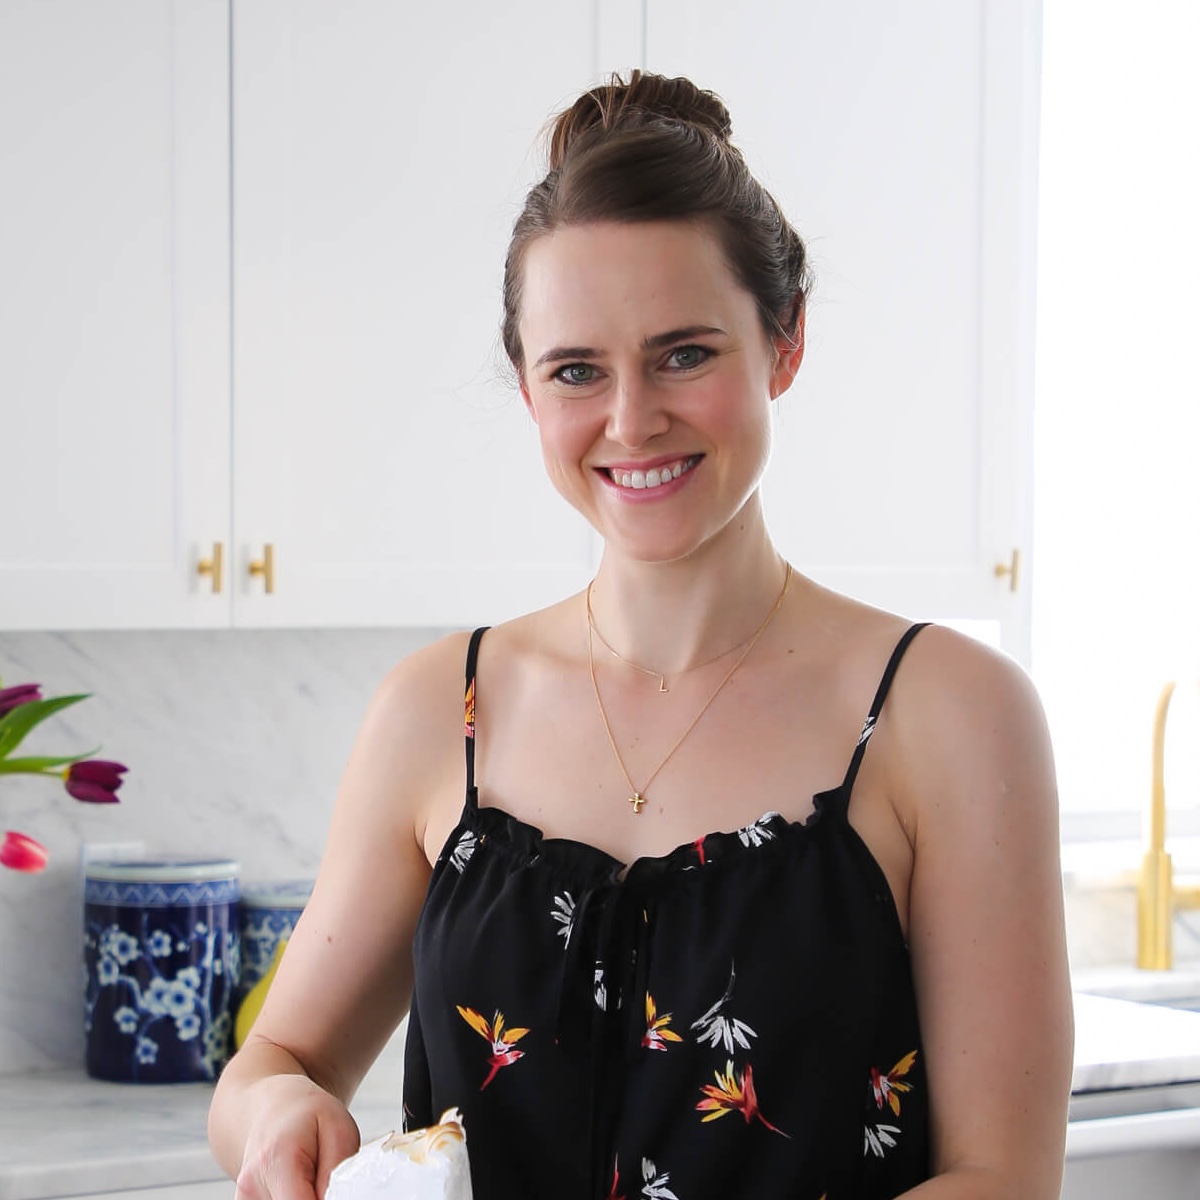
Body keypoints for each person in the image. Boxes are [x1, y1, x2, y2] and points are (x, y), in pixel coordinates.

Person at [208, 70, 1073, 1200]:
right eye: (577, 370)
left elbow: (1001, 1178)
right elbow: (276, 1059)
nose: (631, 420)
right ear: (527, 389)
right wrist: (276, 1111)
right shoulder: (439, 710)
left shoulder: (947, 713)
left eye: (684, 353)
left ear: (785, 343)